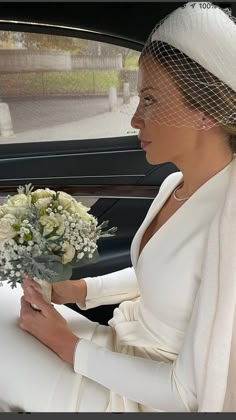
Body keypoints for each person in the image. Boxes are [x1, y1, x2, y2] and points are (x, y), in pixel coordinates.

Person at [0, 1, 236, 412]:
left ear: (205, 114)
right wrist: (77, 291)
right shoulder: (174, 185)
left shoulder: (229, 224)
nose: (134, 120)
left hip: (145, 396)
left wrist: (66, 345)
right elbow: (160, 274)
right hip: (117, 349)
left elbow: (188, 395)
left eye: (149, 100)